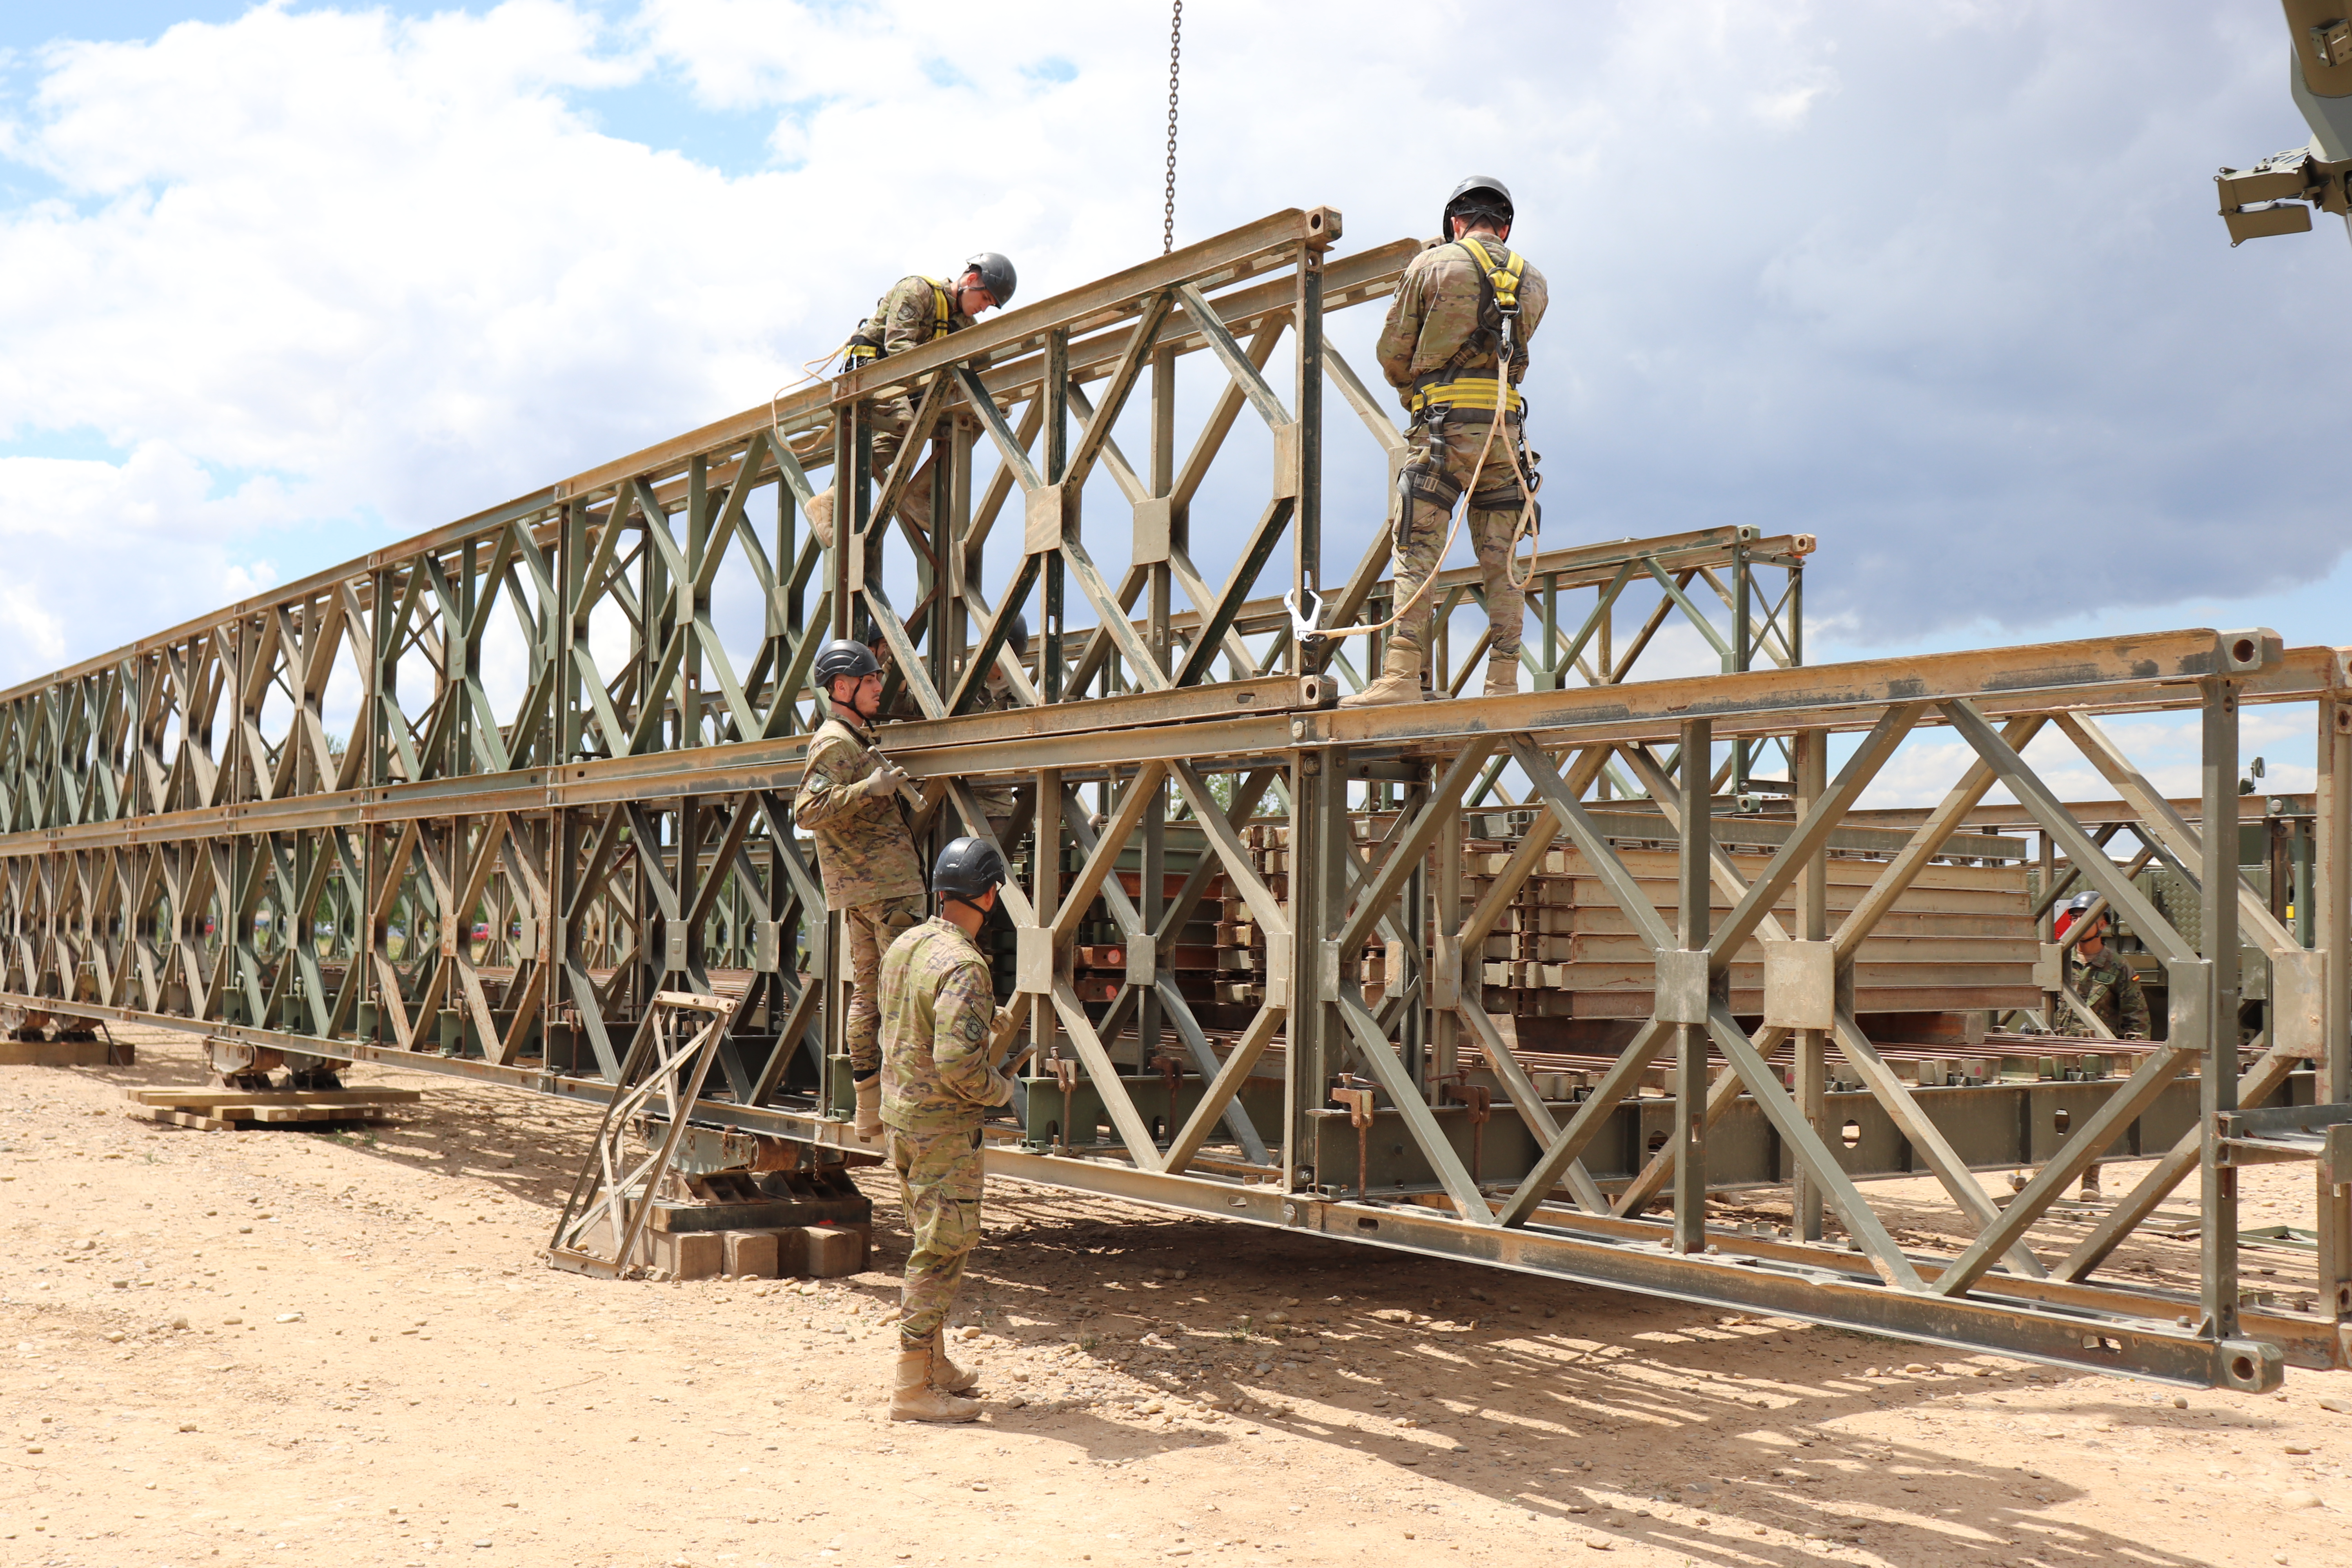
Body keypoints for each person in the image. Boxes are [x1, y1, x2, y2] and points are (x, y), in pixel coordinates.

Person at [1345, 176, 1548, 708]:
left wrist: (1417, 388)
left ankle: (1401, 675)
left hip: (1443, 431)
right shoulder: (1535, 282)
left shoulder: (1432, 267)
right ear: (1504, 227)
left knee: (1418, 548)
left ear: (1457, 224)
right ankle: (1503, 681)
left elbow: (1392, 353)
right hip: (1505, 437)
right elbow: (1516, 360)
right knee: (1503, 561)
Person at [878, 836, 1017, 1423]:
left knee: (927, 1239)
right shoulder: (965, 964)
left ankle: (934, 1364)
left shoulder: (906, 945)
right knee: (940, 1250)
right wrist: (1003, 1091)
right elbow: (959, 1067)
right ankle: (913, 1386)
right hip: (943, 1129)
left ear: (940, 890)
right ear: (988, 894)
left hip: (903, 1118)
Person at [794, 639, 926, 1145]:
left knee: (871, 996)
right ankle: (904, 1104)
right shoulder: (835, 741)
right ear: (843, 686)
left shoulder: (852, 737)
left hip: (866, 890)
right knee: (905, 994)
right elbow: (807, 811)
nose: (878, 687)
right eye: (870, 680)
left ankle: (870, 1112)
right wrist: (868, 789)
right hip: (885, 888)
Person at [805, 254, 1020, 549]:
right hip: (874, 373)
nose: (984, 308)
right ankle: (830, 501)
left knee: (983, 410)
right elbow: (898, 345)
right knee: (903, 424)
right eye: (984, 298)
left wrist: (994, 397)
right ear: (971, 280)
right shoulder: (918, 290)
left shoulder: (965, 324)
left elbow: (981, 369)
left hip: (914, 382)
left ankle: (921, 491)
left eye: (990, 305)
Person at [2056, 892, 2151, 1040]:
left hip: (2099, 1051)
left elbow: (2137, 1019)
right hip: (2059, 1047)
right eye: (2075, 918)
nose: (2078, 922)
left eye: (2086, 918)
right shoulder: (2060, 960)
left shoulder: (2119, 967)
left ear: (2102, 925)